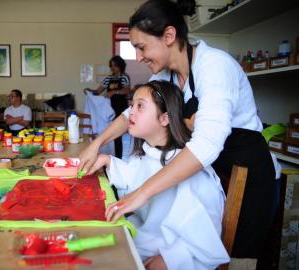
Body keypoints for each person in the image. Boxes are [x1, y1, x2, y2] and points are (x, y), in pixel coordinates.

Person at [79, 0, 278, 264]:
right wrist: (98, 142)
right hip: (204, 167)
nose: (138, 57)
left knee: (237, 257)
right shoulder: (166, 76)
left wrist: (141, 194)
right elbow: (131, 113)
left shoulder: (215, 67)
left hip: (246, 172)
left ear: (169, 36)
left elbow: (207, 144)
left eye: (141, 47)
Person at [93, 81, 229, 269]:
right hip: (144, 240)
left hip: (166, 253)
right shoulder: (149, 153)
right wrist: (108, 160)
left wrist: (170, 259)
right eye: (131, 105)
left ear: (165, 118)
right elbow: (137, 178)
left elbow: (207, 232)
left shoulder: (190, 171)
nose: (130, 112)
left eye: (140, 106)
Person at [85, 55, 131, 158]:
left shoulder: (124, 77)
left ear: (120, 66)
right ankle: (109, 155)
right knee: (108, 132)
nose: (112, 68)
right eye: (111, 66)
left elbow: (127, 90)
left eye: (114, 66)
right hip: (110, 109)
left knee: (117, 134)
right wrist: (90, 91)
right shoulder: (108, 78)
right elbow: (98, 91)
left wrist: (115, 92)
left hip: (120, 108)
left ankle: (118, 157)